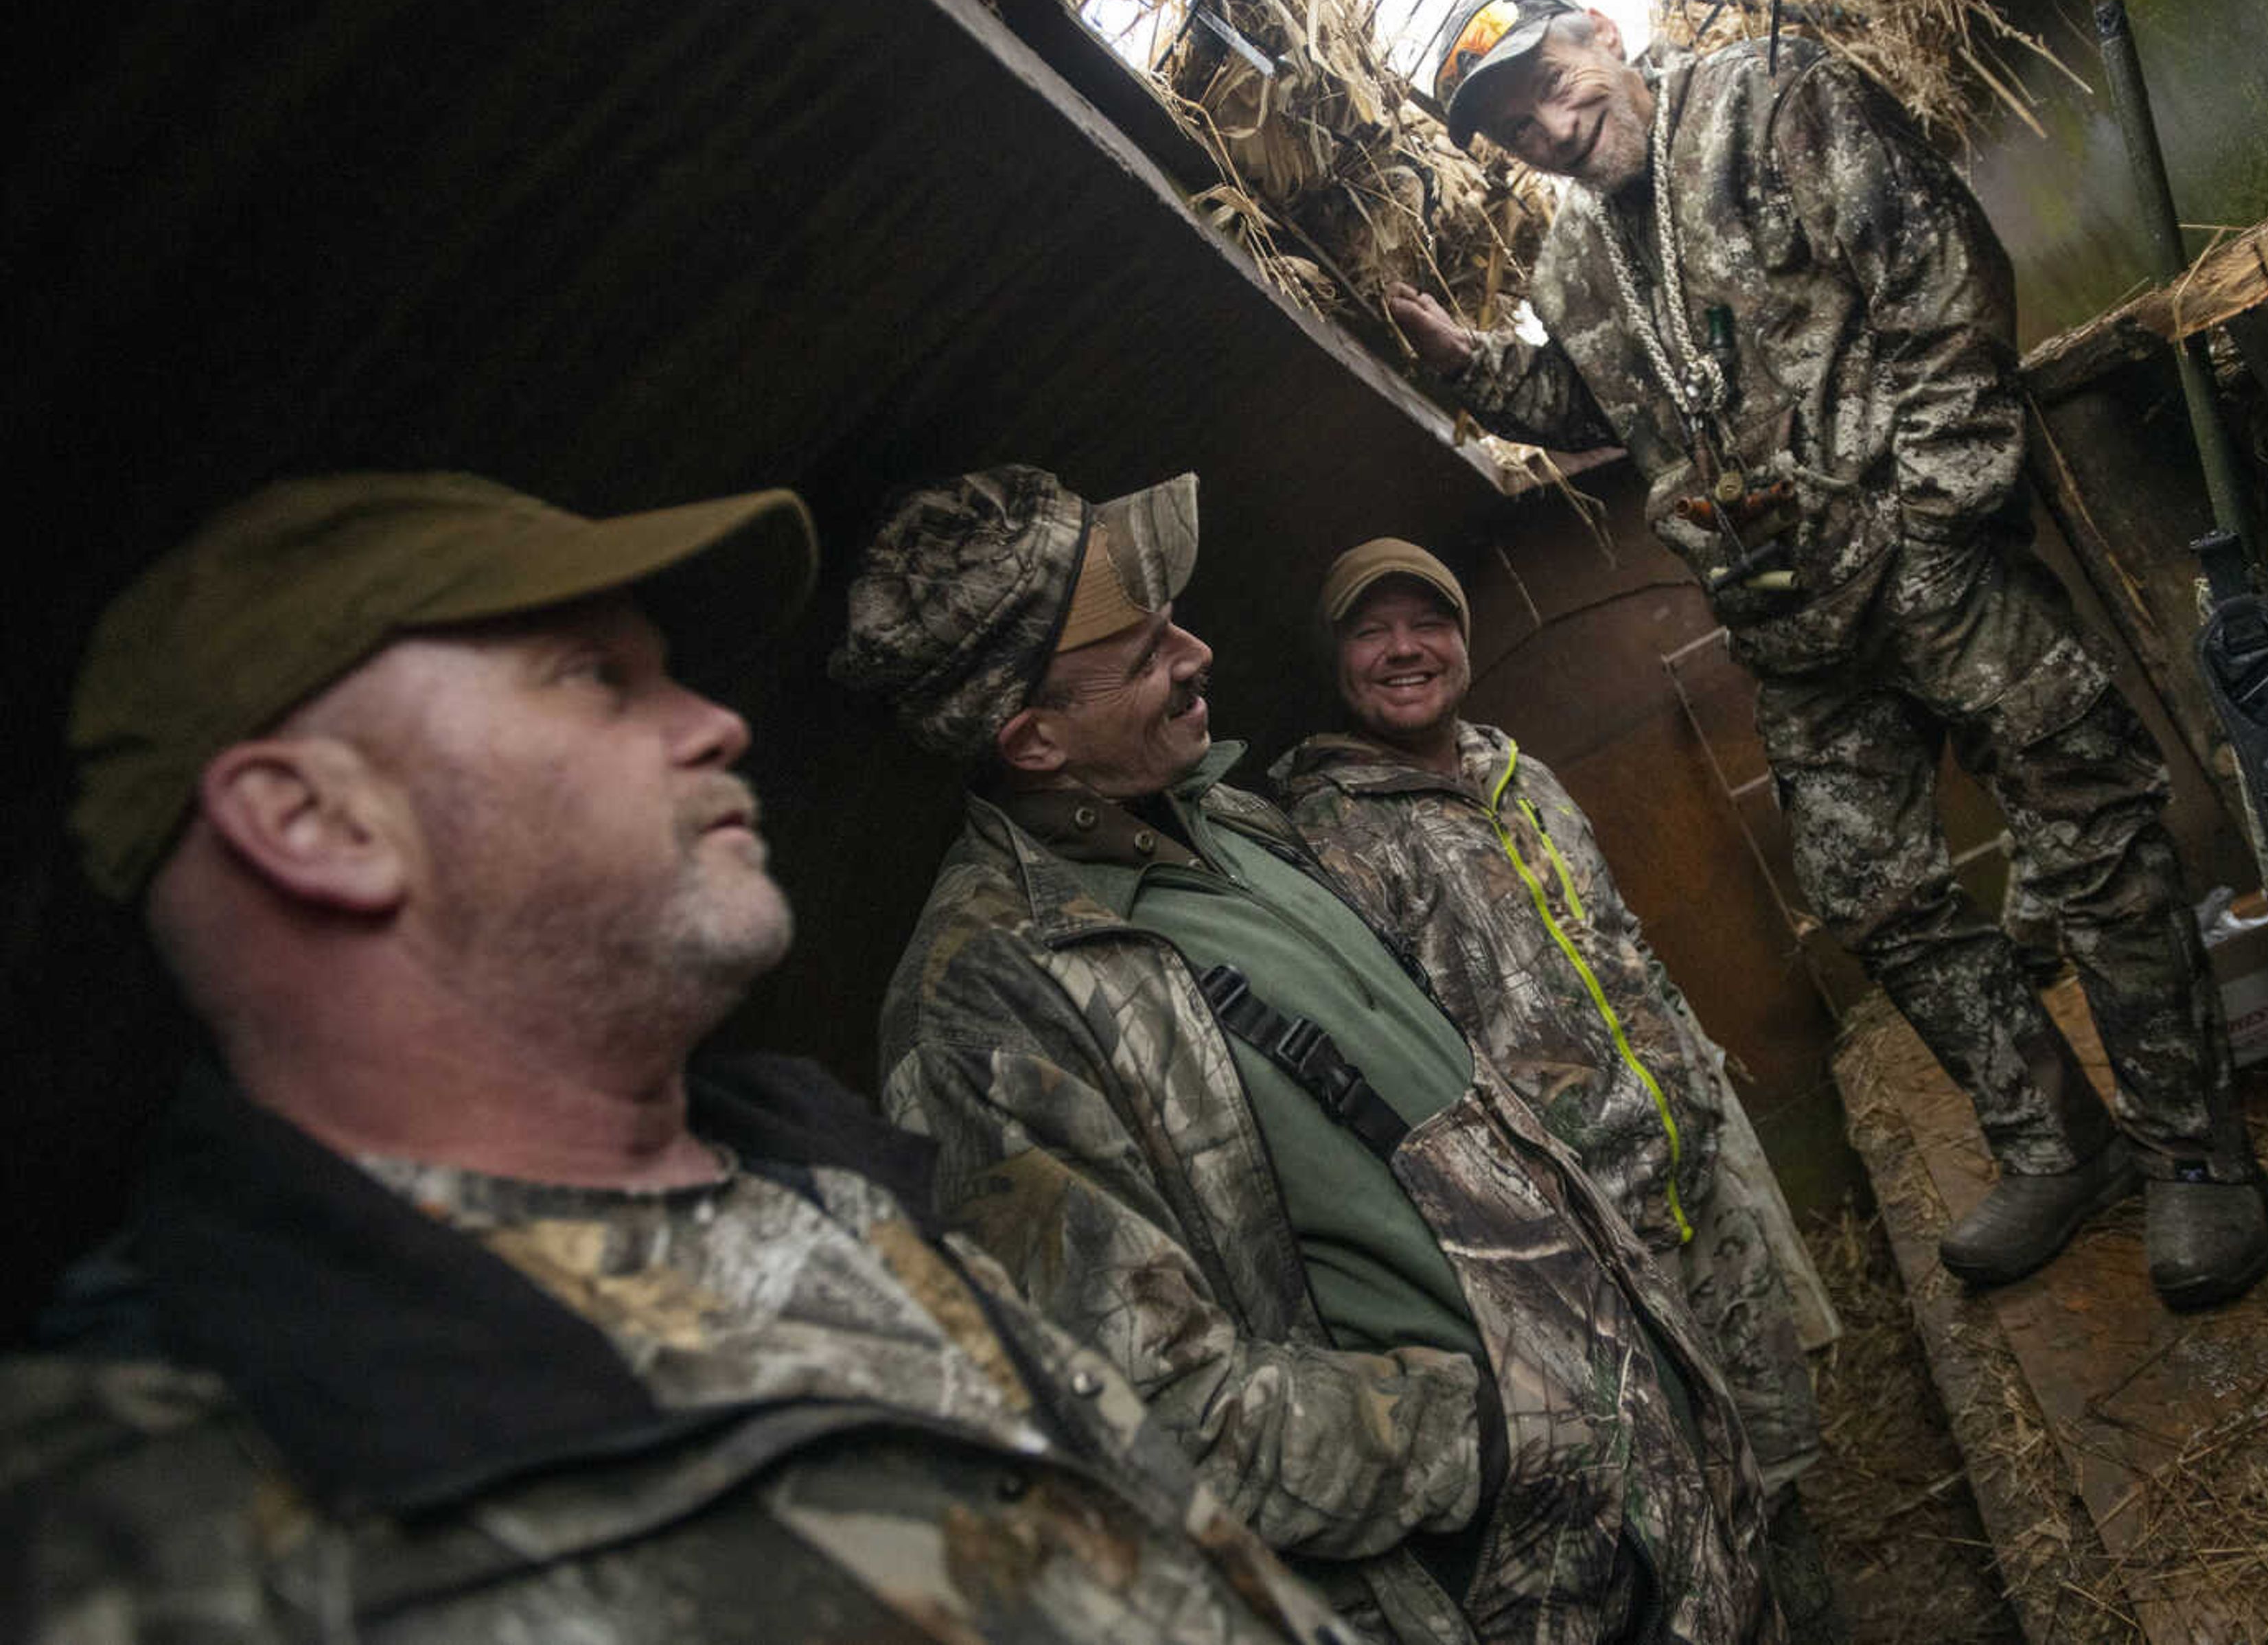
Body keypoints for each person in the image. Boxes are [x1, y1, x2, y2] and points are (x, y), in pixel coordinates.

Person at [3, 472, 1353, 1645]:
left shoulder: (844, 1199)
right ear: (313, 823)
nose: (716, 723)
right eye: (596, 678)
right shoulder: (167, 1517)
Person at [1385, 0, 2268, 1309]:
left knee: (2090, 831)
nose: (1549, 132)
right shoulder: (1572, 263)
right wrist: (1468, 364)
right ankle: (2056, 1144)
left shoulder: (1768, 96)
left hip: (1931, 562)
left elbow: (1935, 275)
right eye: (1515, 131)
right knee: (1873, 895)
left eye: (1551, 89)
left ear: (1605, 38)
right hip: (1790, 626)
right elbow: (1594, 401)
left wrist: (1947, 511)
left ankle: (2193, 1156)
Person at [831, 465, 1779, 1645]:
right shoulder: (989, 1004)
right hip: (1509, 1566)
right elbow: (1149, 1412)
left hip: (1649, 1462)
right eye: (1144, 656)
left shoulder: (1229, 819)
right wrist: (1495, 1431)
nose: (1198, 652)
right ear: (1032, 740)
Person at [1271, 538, 1846, 1641]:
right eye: (1370, 629)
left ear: (1463, 639)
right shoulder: (1330, 842)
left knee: (1779, 1468)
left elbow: (1619, 940)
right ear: (1334, 659)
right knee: (1682, 1520)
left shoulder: (1518, 772)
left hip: (1693, 1182)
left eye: (1426, 621)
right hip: (1581, 1253)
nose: (1405, 649)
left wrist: (1700, 1099)